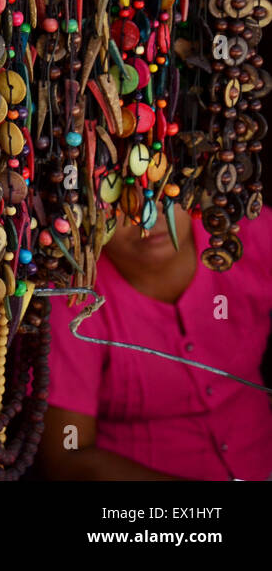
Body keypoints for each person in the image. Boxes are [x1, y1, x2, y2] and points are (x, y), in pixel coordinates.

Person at [39, 206, 272, 480]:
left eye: (167, 193)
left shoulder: (245, 232)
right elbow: (67, 455)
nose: (148, 216)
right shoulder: (72, 299)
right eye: (118, 202)